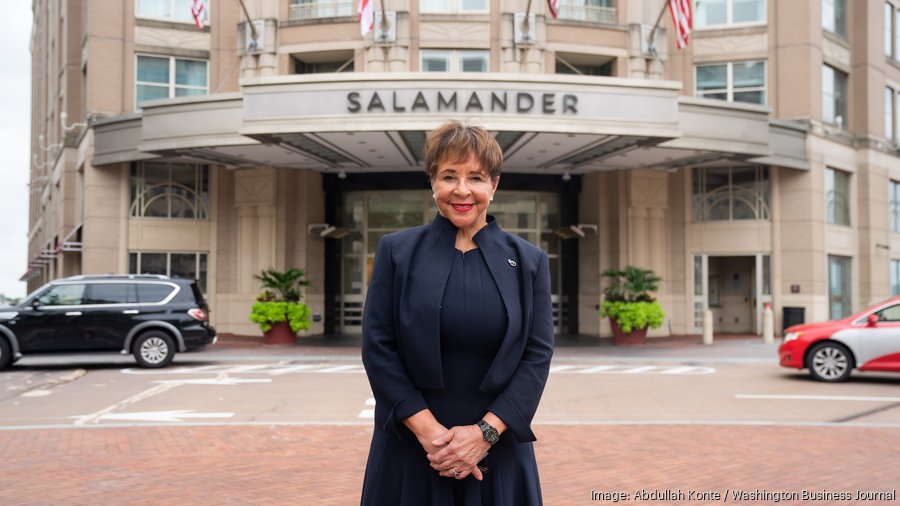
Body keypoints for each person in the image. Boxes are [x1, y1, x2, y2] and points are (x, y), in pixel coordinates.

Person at [360, 120, 554, 505]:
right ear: (432, 182)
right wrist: (431, 435)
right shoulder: (396, 252)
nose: (462, 190)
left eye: (476, 178)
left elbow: (536, 356)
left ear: (494, 185)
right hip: (411, 449)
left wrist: (485, 434)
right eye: (449, 176)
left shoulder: (529, 261)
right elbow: (378, 349)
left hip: (497, 450)